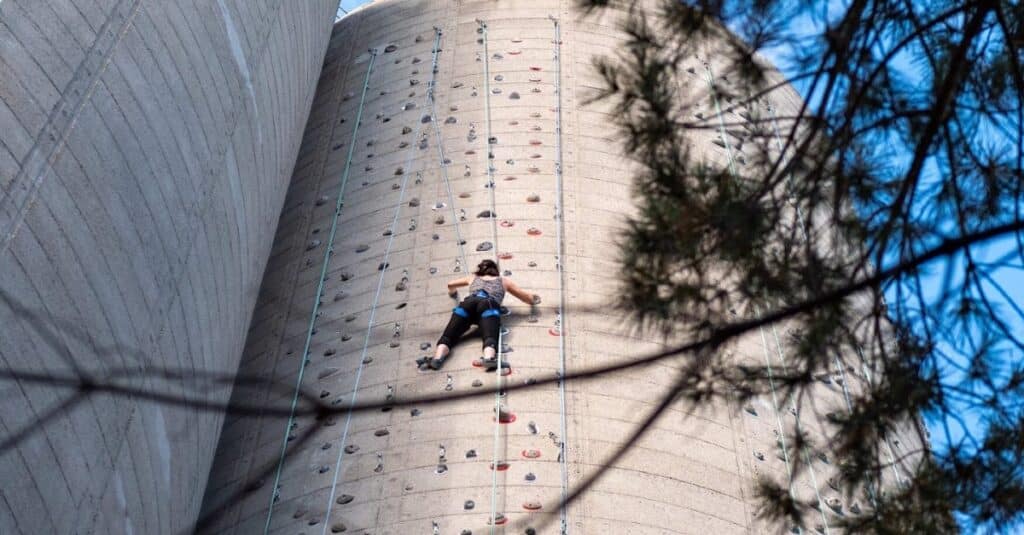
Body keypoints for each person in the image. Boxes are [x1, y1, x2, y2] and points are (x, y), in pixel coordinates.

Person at [419, 259, 539, 371]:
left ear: (480, 270)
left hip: (467, 304)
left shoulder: (473, 278)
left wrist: (453, 293)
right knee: (490, 337)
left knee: (448, 336)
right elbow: (525, 297)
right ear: (495, 271)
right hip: (488, 305)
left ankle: (437, 358)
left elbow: (450, 284)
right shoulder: (502, 281)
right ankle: (488, 358)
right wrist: (534, 299)